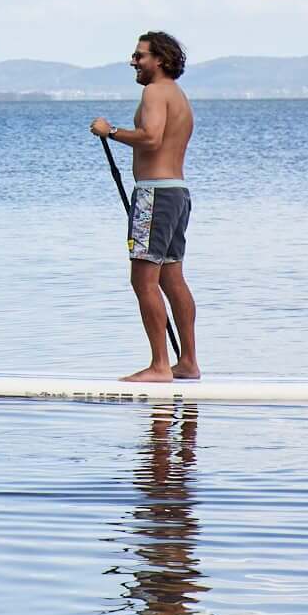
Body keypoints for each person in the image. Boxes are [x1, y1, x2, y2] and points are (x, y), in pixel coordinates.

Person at [93, 30, 197, 382]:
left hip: (154, 195)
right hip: (177, 193)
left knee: (143, 279)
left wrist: (110, 131)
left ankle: (160, 366)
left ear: (161, 60)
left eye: (140, 56)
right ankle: (188, 362)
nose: (133, 62)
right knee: (172, 278)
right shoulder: (178, 96)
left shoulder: (154, 92)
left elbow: (151, 138)